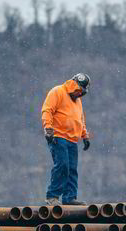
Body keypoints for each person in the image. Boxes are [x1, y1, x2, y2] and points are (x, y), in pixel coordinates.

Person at [41, 73, 91, 205]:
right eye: (79, 90)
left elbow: (80, 119)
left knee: (72, 169)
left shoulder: (78, 101)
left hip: (72, 140)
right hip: (58, 136)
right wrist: (48, 128)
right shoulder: (57, 91)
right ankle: (52, 196)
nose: (80, 94)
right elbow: (47, 110)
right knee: (62, 165)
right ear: (73, 84)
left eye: (82, 92)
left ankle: (70, 198)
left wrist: (84, 135)